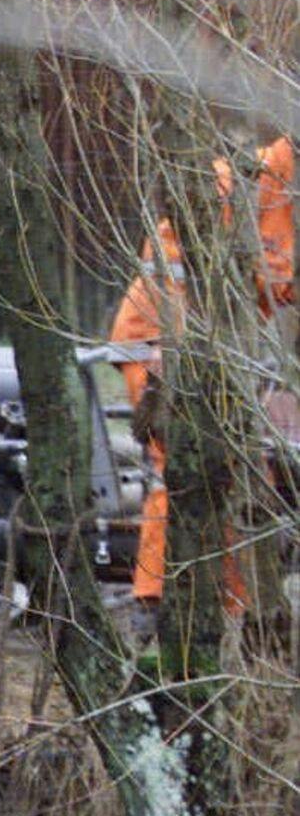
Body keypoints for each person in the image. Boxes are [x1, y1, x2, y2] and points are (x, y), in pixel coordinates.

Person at [110, 135, 295, 606]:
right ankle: (159, 597)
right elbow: (184, 270)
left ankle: (230, 605)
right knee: (187, 461)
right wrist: (177, 351)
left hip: (211, 344)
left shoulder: (279, 188)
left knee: (237, 468)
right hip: (161, 338)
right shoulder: (240, 183)